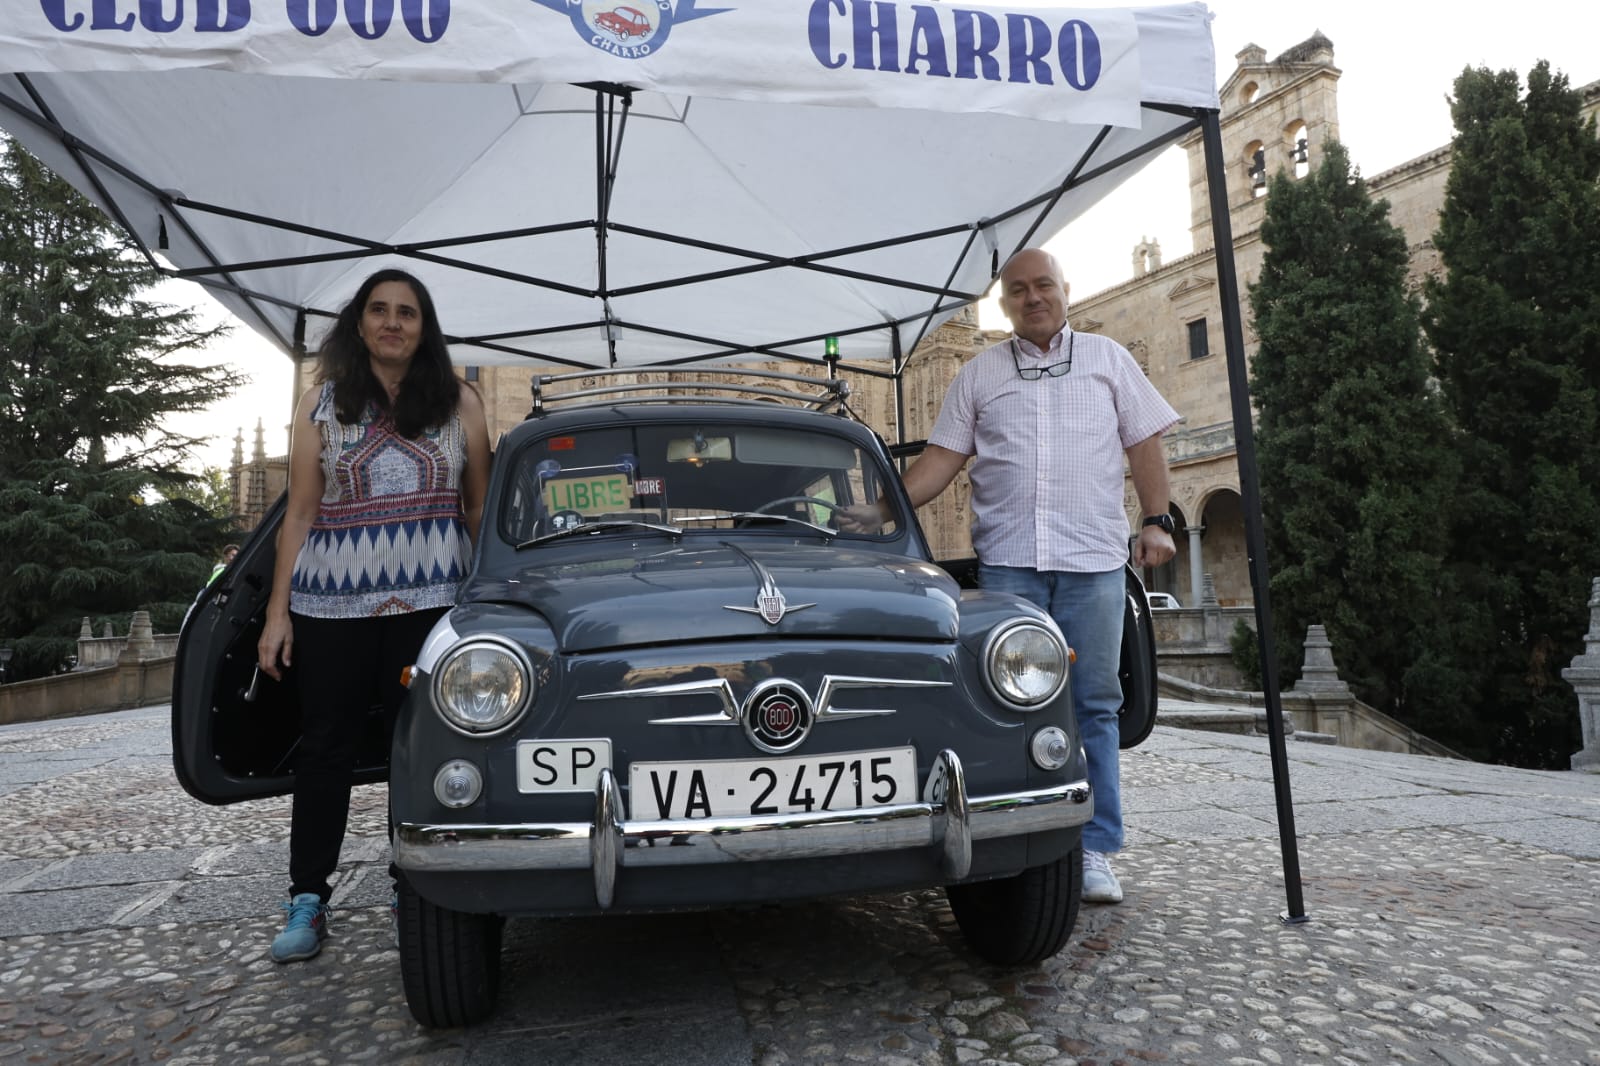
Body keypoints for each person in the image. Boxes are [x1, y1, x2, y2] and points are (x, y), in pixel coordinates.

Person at [842, 248, 1178, 905]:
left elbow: (1145, 442)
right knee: (1006, 706)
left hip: (1093, 563)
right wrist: (884, 511)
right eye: (1018, 290)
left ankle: (1094, 849)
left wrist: (1158, 520)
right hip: (1012, 568)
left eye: (1043, 285)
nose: (1033, 298)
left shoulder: (1110, 361)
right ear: (1004, 304)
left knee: (1094, 704)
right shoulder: (980, 375)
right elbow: (941, 461)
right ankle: (1015, 837)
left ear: (1064, 289)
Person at [256, 267, 490, 962]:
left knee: (414, 749)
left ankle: (411, 880)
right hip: (332, 604)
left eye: (408, 313)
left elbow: (477, 507)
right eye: (380, 311)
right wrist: (277, 613)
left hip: (433, 603)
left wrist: (490, 596)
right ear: (359, 324)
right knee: (324, 746)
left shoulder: (462, 403)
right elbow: (298, 512)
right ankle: (308, 897)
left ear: (425, 327)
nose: (393, 322)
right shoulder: (320, 405)